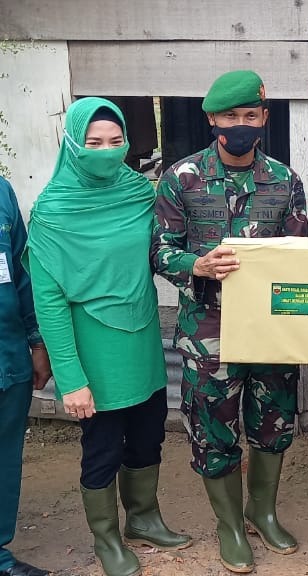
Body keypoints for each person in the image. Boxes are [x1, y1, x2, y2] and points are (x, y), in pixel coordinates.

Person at [26, 98, 191, 576]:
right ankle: (107, 539)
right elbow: (50, 303)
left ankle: (143, 518)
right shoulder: (52, 211)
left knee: (147, 434)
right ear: (73, 145)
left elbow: (164, 249)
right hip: (92, 350)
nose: (106, 151)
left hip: (141, 338)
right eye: (94, 143)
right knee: (102, 447)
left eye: (116, 142)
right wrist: (71, 378)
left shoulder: (138, 193)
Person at [152, 71, 307, 573]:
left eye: (250, 115)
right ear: (212, 120)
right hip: (208, 331)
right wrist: (196, 265)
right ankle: (230, 526)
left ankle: (262, 513)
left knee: (273, 423)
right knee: (213, 430)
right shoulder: (181, 178)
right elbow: (160, 251)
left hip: (270, 329)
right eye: (230, 116)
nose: (240, 124)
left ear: (263, 118)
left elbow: (300, 255)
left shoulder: (284, 180)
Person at [0, 176, 51, 576]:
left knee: (4, 458)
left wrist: (37, 342)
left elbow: (21, 272)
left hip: (7, 355)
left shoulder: (2, 191)